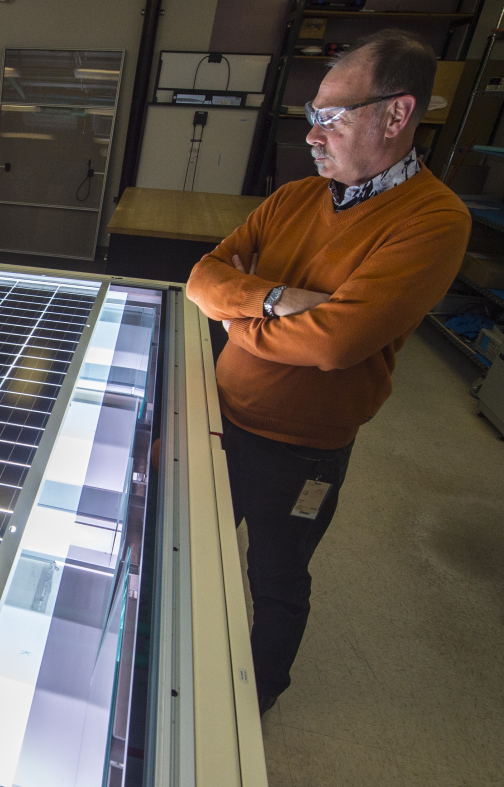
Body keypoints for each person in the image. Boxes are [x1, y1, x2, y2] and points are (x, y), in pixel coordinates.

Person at [185, 29, 470, 715]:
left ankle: (257, 699)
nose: (312, 135)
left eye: (330, 117)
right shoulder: (292, 199)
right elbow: (201, 278)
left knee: (277, 576)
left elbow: (335, 345)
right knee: (191, 552)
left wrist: (239, 321)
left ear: (396, 115)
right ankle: (188, 665)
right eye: (310, 116)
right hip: (218, 416)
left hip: (301, 449)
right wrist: (278, 299)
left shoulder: (433, 222)